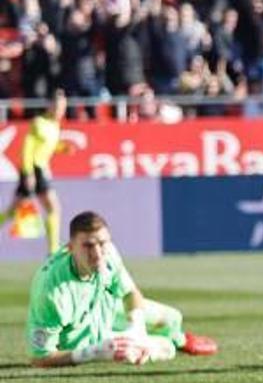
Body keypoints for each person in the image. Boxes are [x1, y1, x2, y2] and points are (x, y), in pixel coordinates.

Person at [26, 211, 217, 367]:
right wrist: (89, 354)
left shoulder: (109, 254)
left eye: (102, 243)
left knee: (173, 317)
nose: (97, 254)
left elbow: (130, 293)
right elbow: (40, 358)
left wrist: (136, 328)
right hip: (82, 339)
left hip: (104, 309)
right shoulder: (51, 292)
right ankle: (171, 343)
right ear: (70, 248)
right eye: (88, 246)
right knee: (165, 348)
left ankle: (180, 339)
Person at [0, 90, 72, 254]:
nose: (60, 110)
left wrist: (63, 148)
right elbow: (27, 148)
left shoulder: (55, 125)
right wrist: (28, 173)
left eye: (63, 107)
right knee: (53, 207)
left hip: (39, 170)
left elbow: (49, 146)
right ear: (50, 106)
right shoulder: (39, 123)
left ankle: (53, 249)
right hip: (34, 170)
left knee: (12, 211)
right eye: (58, 106)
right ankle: (53, 250)